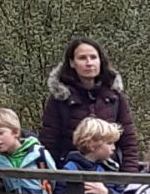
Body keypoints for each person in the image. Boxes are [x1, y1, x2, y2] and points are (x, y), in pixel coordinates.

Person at [39, 38, 134, 168]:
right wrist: (53, 178)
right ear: (72, 62)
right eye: (82, 58)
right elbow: (49, 141)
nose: (89, 63)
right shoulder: (60, 99)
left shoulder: (115, 97)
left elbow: (128, 141)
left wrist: (127, 179)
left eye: (93, 57)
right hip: (69, 173)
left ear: (100, 61)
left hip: (110, 174)